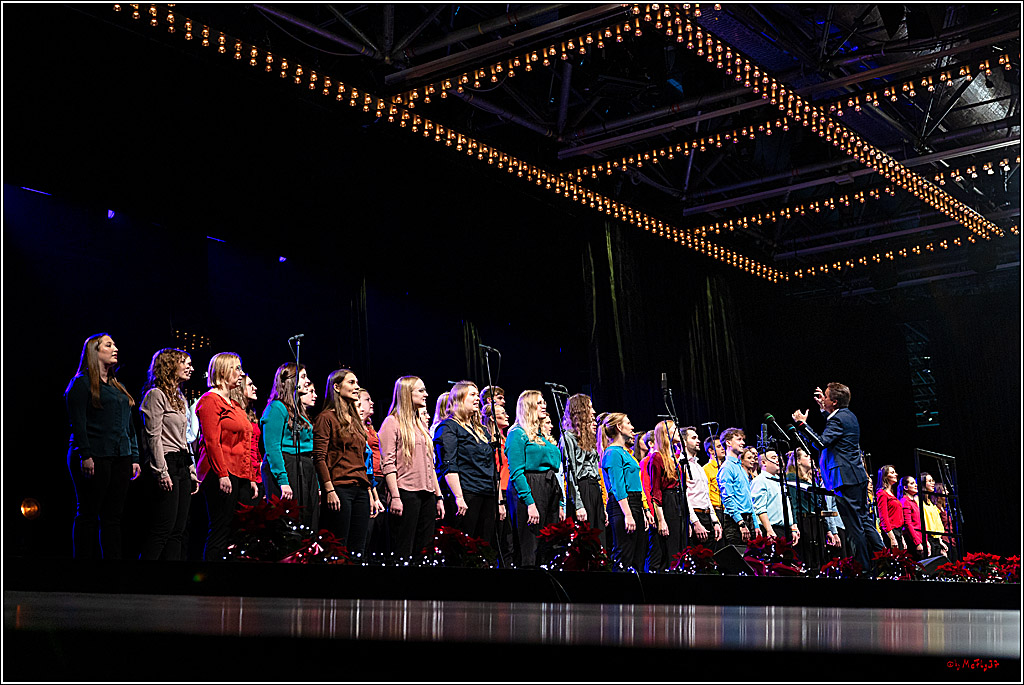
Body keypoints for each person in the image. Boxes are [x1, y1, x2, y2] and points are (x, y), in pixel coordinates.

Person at [793, 383, 885, 571]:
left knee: (853, 526)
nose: (822, 399)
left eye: (825, 397)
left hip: (845, 478)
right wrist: (823, 409)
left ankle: (863, 569)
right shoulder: (847, 416)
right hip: (854, 476)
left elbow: (821, 443)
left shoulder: (837, 420)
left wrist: (802, 424)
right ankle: (885, 559)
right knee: (864, 521)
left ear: (834, 401)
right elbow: (835, 427)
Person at [65, 333, 141, 559]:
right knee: (88, 513)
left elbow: (130, 427)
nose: (115, 348)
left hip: (121, 456)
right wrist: (85, 455)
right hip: (95, 455)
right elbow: (78, 423)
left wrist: (135, 457)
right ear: (94, 352)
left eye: (115, 344)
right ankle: (85, 570)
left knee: (113, 517)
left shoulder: (119, 387)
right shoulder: (81, 384)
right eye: (109, 345)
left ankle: (112, 571)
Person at [195, 352, 258, 561]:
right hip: (220, 472)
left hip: (239, 474)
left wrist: (250, 477)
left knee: (239, 529)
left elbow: (247, 442)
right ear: (223, 371)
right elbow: (212, 442)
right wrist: (222, 474)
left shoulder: (235, 405)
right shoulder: (210, 401)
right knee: (220, 527)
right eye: (237, 368)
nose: (241, 374)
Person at [139, 347, 197, 560]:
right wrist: (161, 471)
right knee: (163, 526)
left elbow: (184, 437)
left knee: (178, 530)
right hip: (166, 462)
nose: (191, 367)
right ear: (170, 365)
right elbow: (153, 436)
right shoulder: (155, 395)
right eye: (185, 363)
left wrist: (191, 469)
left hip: (181, 462)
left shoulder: (180, 397)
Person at [313, 368, 378, 554]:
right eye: (351, 382)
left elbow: (361, 459)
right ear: (336, 386)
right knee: (338, 546)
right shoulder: (326, 418)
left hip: (360, 488)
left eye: (356, 383)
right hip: (340, 487)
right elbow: (319, 457)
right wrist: (329, 490)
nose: (356, 387)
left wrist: (370, 493)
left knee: (358, 548)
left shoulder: (356, 420)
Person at [380, 376, 445, 557]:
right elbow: (388, 463)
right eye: (421, 390)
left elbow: (430, 465)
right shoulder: (392, 422)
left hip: (427, 493)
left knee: (425, 549)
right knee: (404, 546)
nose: (426, 394)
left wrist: (438, 497)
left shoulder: (420, 425)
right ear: (407, 394)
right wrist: (395, 496)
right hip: (406, 493)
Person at [434, 381, 503, 541]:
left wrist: (499, 500)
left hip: (487, 494)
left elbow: (493, 467)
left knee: (485, 545)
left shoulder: (481, 430)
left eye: (477, 395)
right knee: (465, 544)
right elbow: (449, 464)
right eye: (472, 394)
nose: (477, 398)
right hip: (467, 493)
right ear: (458, 399)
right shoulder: (448, 427)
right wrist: (458, 496)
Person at [505, 390, 565, 567]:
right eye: (539, 402)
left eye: (544, 401)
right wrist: (530, 503)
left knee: (549, 543)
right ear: (528, 406)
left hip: (549, 487)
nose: (544, 405)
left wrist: (559, 503)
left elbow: (555, 465)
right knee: (530, 542)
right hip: (530, 487)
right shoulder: (517, 433)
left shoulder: (540, 436)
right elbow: (516, 471)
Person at [260, 363, 318, 531]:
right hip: (288, 464)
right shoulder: (277, 407)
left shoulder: (298, 411)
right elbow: (272, 447)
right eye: (304, 376)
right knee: (290, 521)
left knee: (308, 519)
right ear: (291, 380)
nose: (307, 381)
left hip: (304, 466)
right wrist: (283, 481)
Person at [599, 413, 652, 571]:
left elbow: (636, 484)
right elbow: (618, 486)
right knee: (624, 554)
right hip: (622, 505)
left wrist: (642, 510)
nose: (632, 427)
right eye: (628, 423)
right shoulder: (612, 453)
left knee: (638, 555)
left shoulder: (625, 453)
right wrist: (628, 514)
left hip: (634, 503)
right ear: (619, 427)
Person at [785, 448, 841, 568]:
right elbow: (793, 504)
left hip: (818, 522)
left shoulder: (813, 480)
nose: (810, 458)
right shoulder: (792, 479)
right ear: (798, 461)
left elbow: (821, 506)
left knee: (821, 558)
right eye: (806, 456)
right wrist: (794, 526)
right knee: (808, 557)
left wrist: (828, 530)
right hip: (804, 522)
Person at [559, 394, 603, 542]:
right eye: (590, 407)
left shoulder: (587, 438)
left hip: (594, 488)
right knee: (585, 538)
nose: (593, 412)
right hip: (582, 489)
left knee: (599, 537)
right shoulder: (568, 437)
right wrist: (578, 505)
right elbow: (570, 474)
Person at [645, 420, 687, 572]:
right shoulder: (657, 457)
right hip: (667, 501)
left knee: (680, 546)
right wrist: (661, 520)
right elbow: (655, 491)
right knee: (670, 546)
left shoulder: (675, 456)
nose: (678, 432)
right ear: (665, 433)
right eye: (674, 429)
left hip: (678, 500)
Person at [483, 400, 515, 566]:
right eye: (502, 413)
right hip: (498, 491)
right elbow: (494, 469)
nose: (507, 415)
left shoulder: (505, 438)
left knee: (509, 539)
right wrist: (499, 499)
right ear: (492, 418)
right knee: (499, 538)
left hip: (510, 491)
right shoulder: (490, 440)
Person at [680, 426, 722, 551]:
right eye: (693, 438)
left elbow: (706, 495)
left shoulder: (698, 466)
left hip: (707, 515)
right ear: (684, 442)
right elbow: (685, 496)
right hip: (695, 515)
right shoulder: (681, 464)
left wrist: (714, 520)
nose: (698, 440)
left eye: (697, 437)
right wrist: (695, 522)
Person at [361, 388, 389, 554]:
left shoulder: (370, 428)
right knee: (369, 527)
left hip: (380, 478)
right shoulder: (357, 428)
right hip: (370, 480)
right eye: (367, 399)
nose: (372, 402)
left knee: (379, 528)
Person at [716, 427, 755, 545]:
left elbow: (749, 498)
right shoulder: (727, 467)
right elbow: (727, 498)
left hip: (748, 520)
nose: (743, 443)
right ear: (728, 442)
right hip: (736, 522)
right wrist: (741, 523)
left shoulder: (741, 468)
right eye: (738, 439)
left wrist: (756, 525)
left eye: (742, 440)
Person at [751, 450, 800, 543]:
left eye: (777, 457)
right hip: (772, 529)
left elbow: (787, 505)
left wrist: (793, 527)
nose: (778, 460)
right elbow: (760, 508)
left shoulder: (779, 480)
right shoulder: (760, 480)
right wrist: (769, 530)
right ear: (764, 462)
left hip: (785, 529)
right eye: (773, 458)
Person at [230, 373, 262, 501]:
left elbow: (254, 446)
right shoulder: (236, 415)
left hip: (256, 471)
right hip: (244, 473)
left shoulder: (251, 414)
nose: (255, 388)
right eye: (250, 385)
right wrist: (250, 476)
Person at [875, 464, 905, 550]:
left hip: (898, 532)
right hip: (891, 532)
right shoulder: (882, 493)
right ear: (885, 476)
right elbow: (883, 517)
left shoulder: (891, 493)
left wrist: (902, 538)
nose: (896, 474)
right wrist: (892, 538)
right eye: (892, 472)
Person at [919, 472, 948, 558]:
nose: (933, 483)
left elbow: (935, 523)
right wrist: (925, 541)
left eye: (933, 480)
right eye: (929, 481)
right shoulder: (919, 501)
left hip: (936, 539)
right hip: (928, 538)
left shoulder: (930, 502)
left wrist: (940, 541)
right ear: (923, 484)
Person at [898, 476, 925, 559]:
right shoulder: (905, 501)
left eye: (915, 483)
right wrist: (917, 543)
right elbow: (908, 524)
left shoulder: (914, 502)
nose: (916, 485)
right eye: (912, 483)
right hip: (913, 540)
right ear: (905, 487)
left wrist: (925, 541)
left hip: (920, 538)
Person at [703, 435, 727, 527]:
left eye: (722, 446)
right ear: (711, 450)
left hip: (727, 510)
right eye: (718, 446)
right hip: (717, 510)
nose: (722, 448)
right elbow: (706, 493)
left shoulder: (725, 467)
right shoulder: (706, 469)